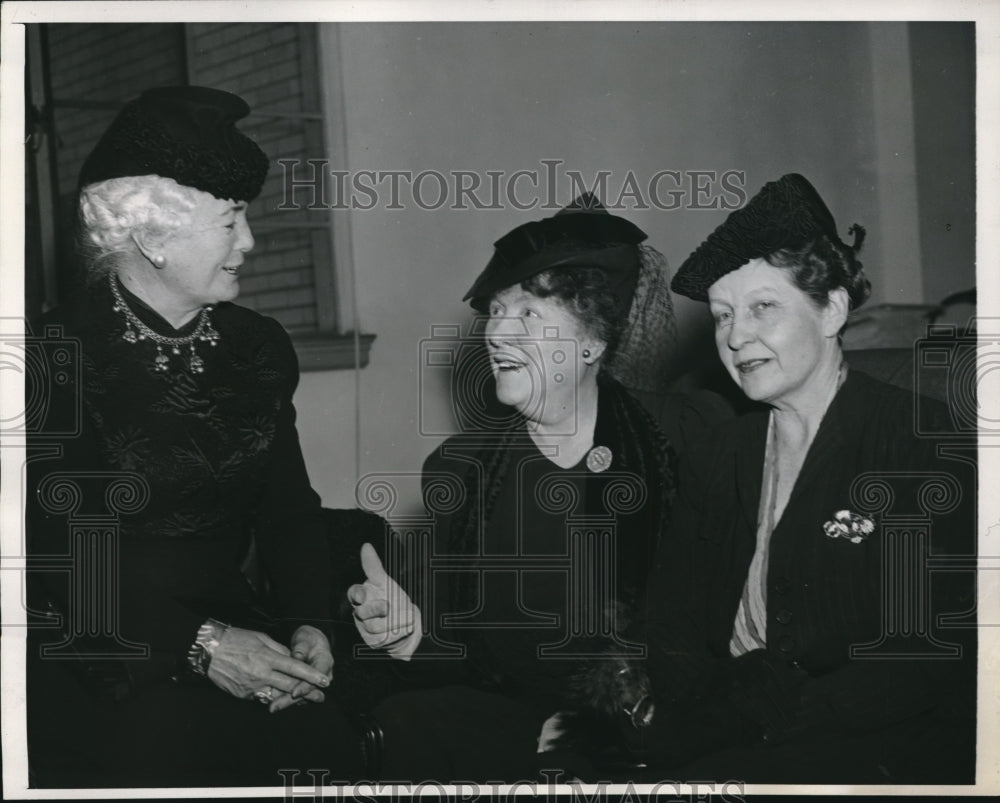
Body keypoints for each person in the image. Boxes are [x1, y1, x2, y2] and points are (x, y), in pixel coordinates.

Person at [567, 173, 976, 783]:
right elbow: (671, 615)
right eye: (724, 315)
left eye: (763, 307)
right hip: (729, 727)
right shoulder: (720, 450)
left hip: (882, 739)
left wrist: (743, 724)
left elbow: (924, 660)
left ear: (831, 308)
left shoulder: (920, 442)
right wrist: (691, 716)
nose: (735, 337)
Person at [25, 86, 363, 787]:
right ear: (152, 236)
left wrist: (309, 623)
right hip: (108, 647)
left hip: (242, 628)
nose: (250, 242)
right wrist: (200, 645)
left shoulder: (258, 346)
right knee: (170, 749)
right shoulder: (53, 352)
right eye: (232, 220)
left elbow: (289, 510)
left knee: (326, 740)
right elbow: (61, 550)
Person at [349, 197, 682, 781]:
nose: (497, 333)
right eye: (497, 311)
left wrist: (596, 725)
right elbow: (460, 657)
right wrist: (407, 638)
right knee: (408, 721)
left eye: (529, 316)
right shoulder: (458, 470)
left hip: (651, 719)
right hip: (515, 719)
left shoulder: (678, 444)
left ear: (592, 342)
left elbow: (715, 625)